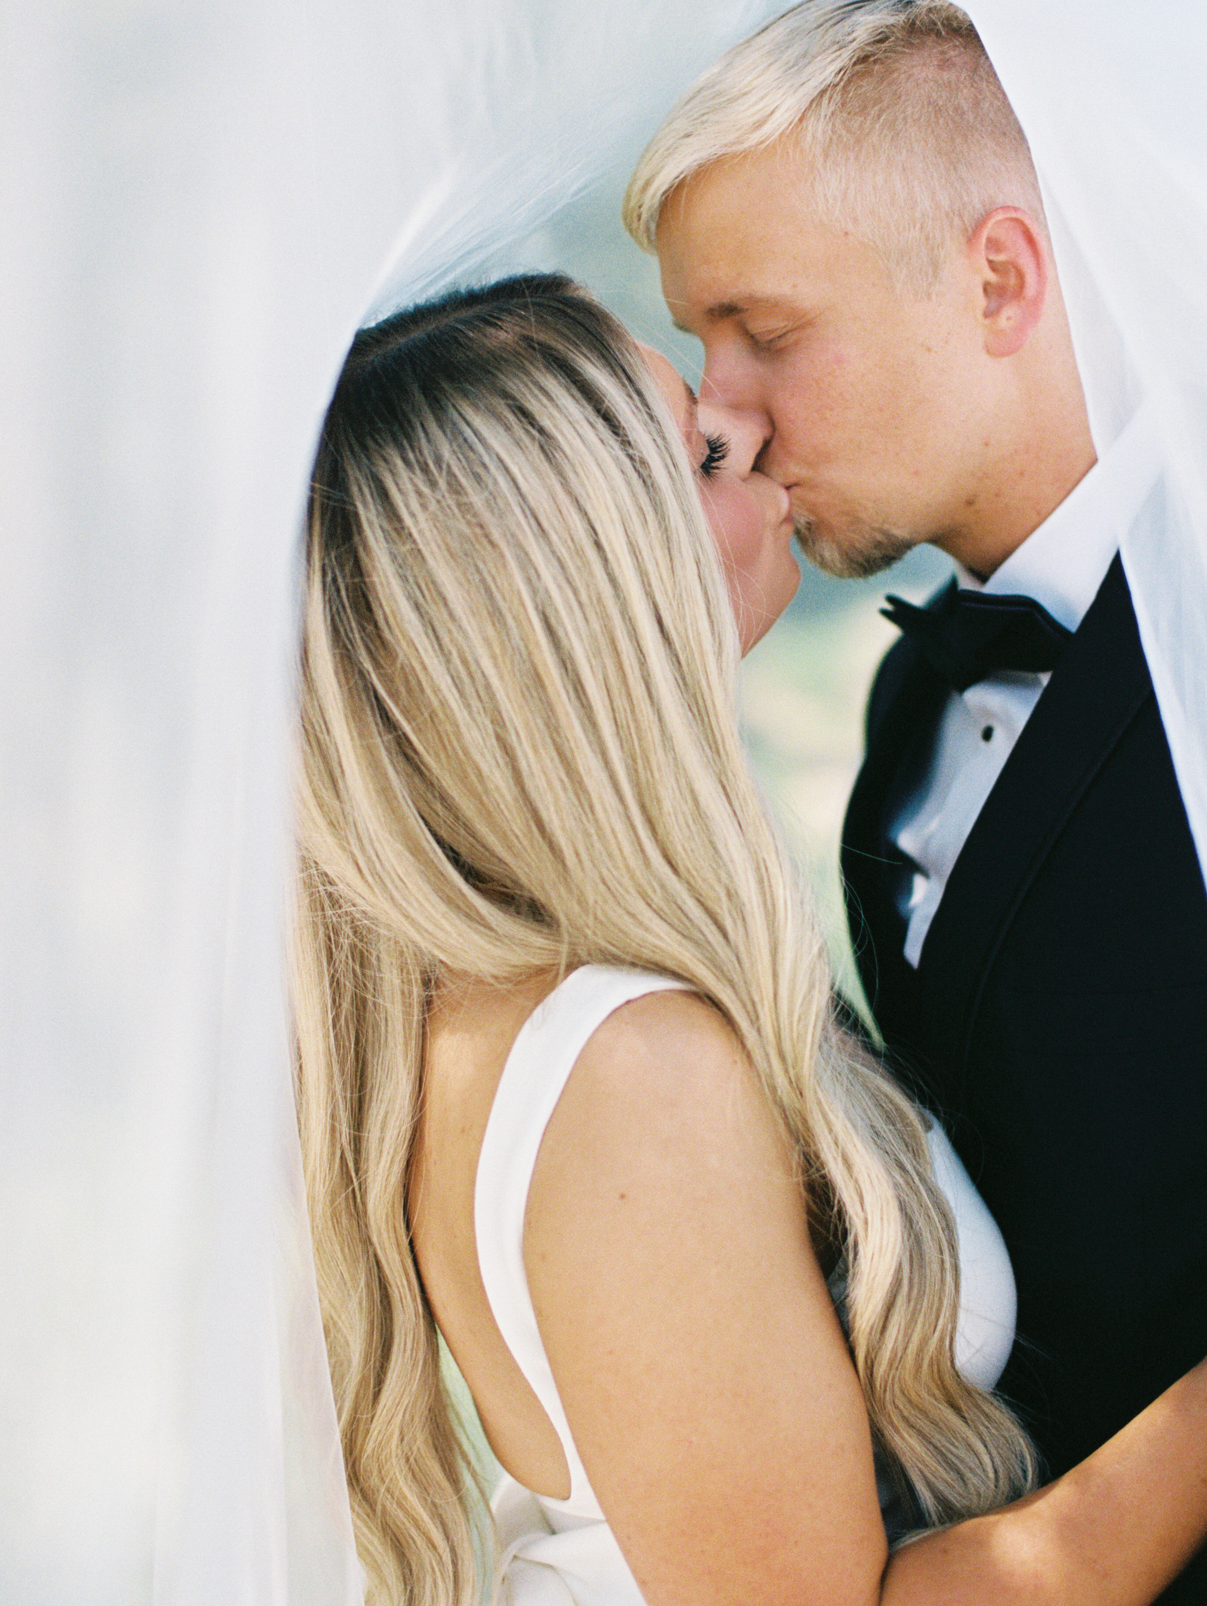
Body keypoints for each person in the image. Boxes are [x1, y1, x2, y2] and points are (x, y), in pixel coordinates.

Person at [293, 271, 1207, 1606]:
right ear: (598, 579)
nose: (755, 432)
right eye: (703, 454)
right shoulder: (629, 1074)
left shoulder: (533, 986)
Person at [623, 0, 1207, 1603]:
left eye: (766, 331)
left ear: (1000, 279)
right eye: (699, 346)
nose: (720, 411)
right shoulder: (905, 715)